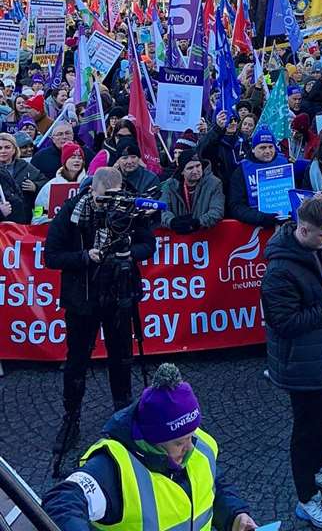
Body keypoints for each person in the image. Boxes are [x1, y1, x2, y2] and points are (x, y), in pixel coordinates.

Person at [41, 363, 257, 531]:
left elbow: (213, 487)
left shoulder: (198, 445)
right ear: (153, 439)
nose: (190, 448)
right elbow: (61, 501)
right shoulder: (114, 467)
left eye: (191, 436)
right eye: (179, 442)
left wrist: (234, 515)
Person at [261, 195, 322, 528]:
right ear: (304, 229)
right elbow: (285, 324)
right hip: (301, 361)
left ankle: (319, 468)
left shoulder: (316, 246)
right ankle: (306, 497)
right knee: (306, 430)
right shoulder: (278, 271)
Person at [45, 164, 156, 448]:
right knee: (77, 359)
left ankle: (124, 412)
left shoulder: (129, 209)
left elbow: (148, 245)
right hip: (82, 296)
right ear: (91, 190)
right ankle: (71, 417)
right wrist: (84, 256)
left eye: (114, 198)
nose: (109, 205)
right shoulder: (72, 211)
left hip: (119, 292)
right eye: (103, 199)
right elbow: (52, 255)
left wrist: (129, 252)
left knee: (122, 356)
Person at [0, 130, 44, 223]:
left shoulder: (25, 166)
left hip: (23, 220)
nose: (3, 151)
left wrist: (35, 186)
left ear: (14, 149)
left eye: (7, 147)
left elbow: (44, 183)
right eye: (0, 148)